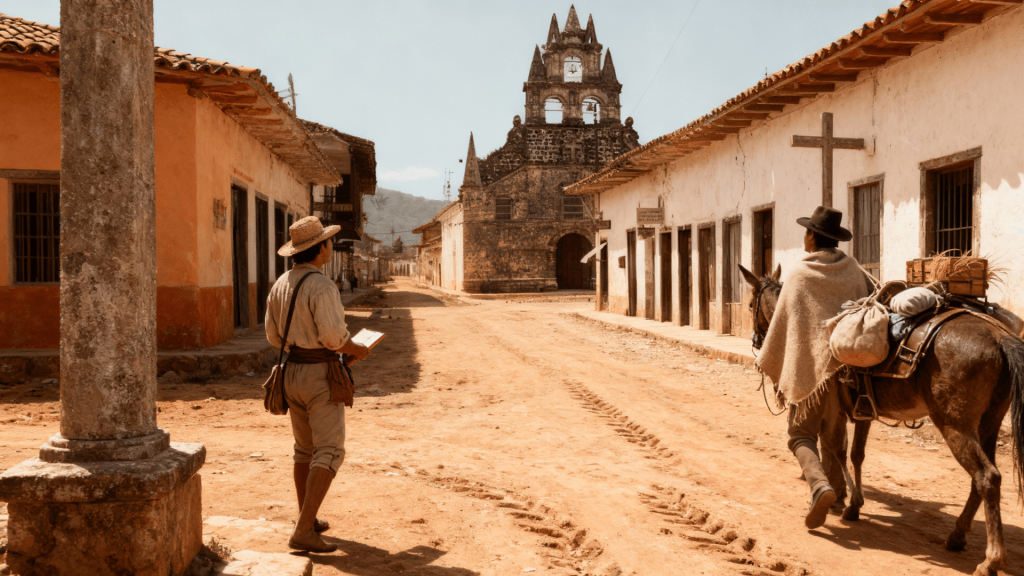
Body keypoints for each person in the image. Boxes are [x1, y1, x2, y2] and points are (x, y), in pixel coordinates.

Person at [755, 206, 874, 530]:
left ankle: (820, 485)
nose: (804, 236)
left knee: (799, 435)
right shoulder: (853, 270)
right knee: (835, 436)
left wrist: (771, 359)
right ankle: (834, 498)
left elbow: (783, 327)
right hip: (845, 372)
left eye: (806, 231)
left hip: (810, 371)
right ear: (834, 239)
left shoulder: (799, 274)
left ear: (811, 236)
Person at [266, 216, 370, 553]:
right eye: (327, 242)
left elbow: (271, 335)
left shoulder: (281, 283)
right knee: (329, 450)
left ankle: (306, 520)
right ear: (319, 248)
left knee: (304, 450)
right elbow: (332, 338)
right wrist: (357, 348)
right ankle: (303, 533)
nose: (330, 246)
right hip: (318, 376)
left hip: (291, 371)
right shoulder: (322, 286)